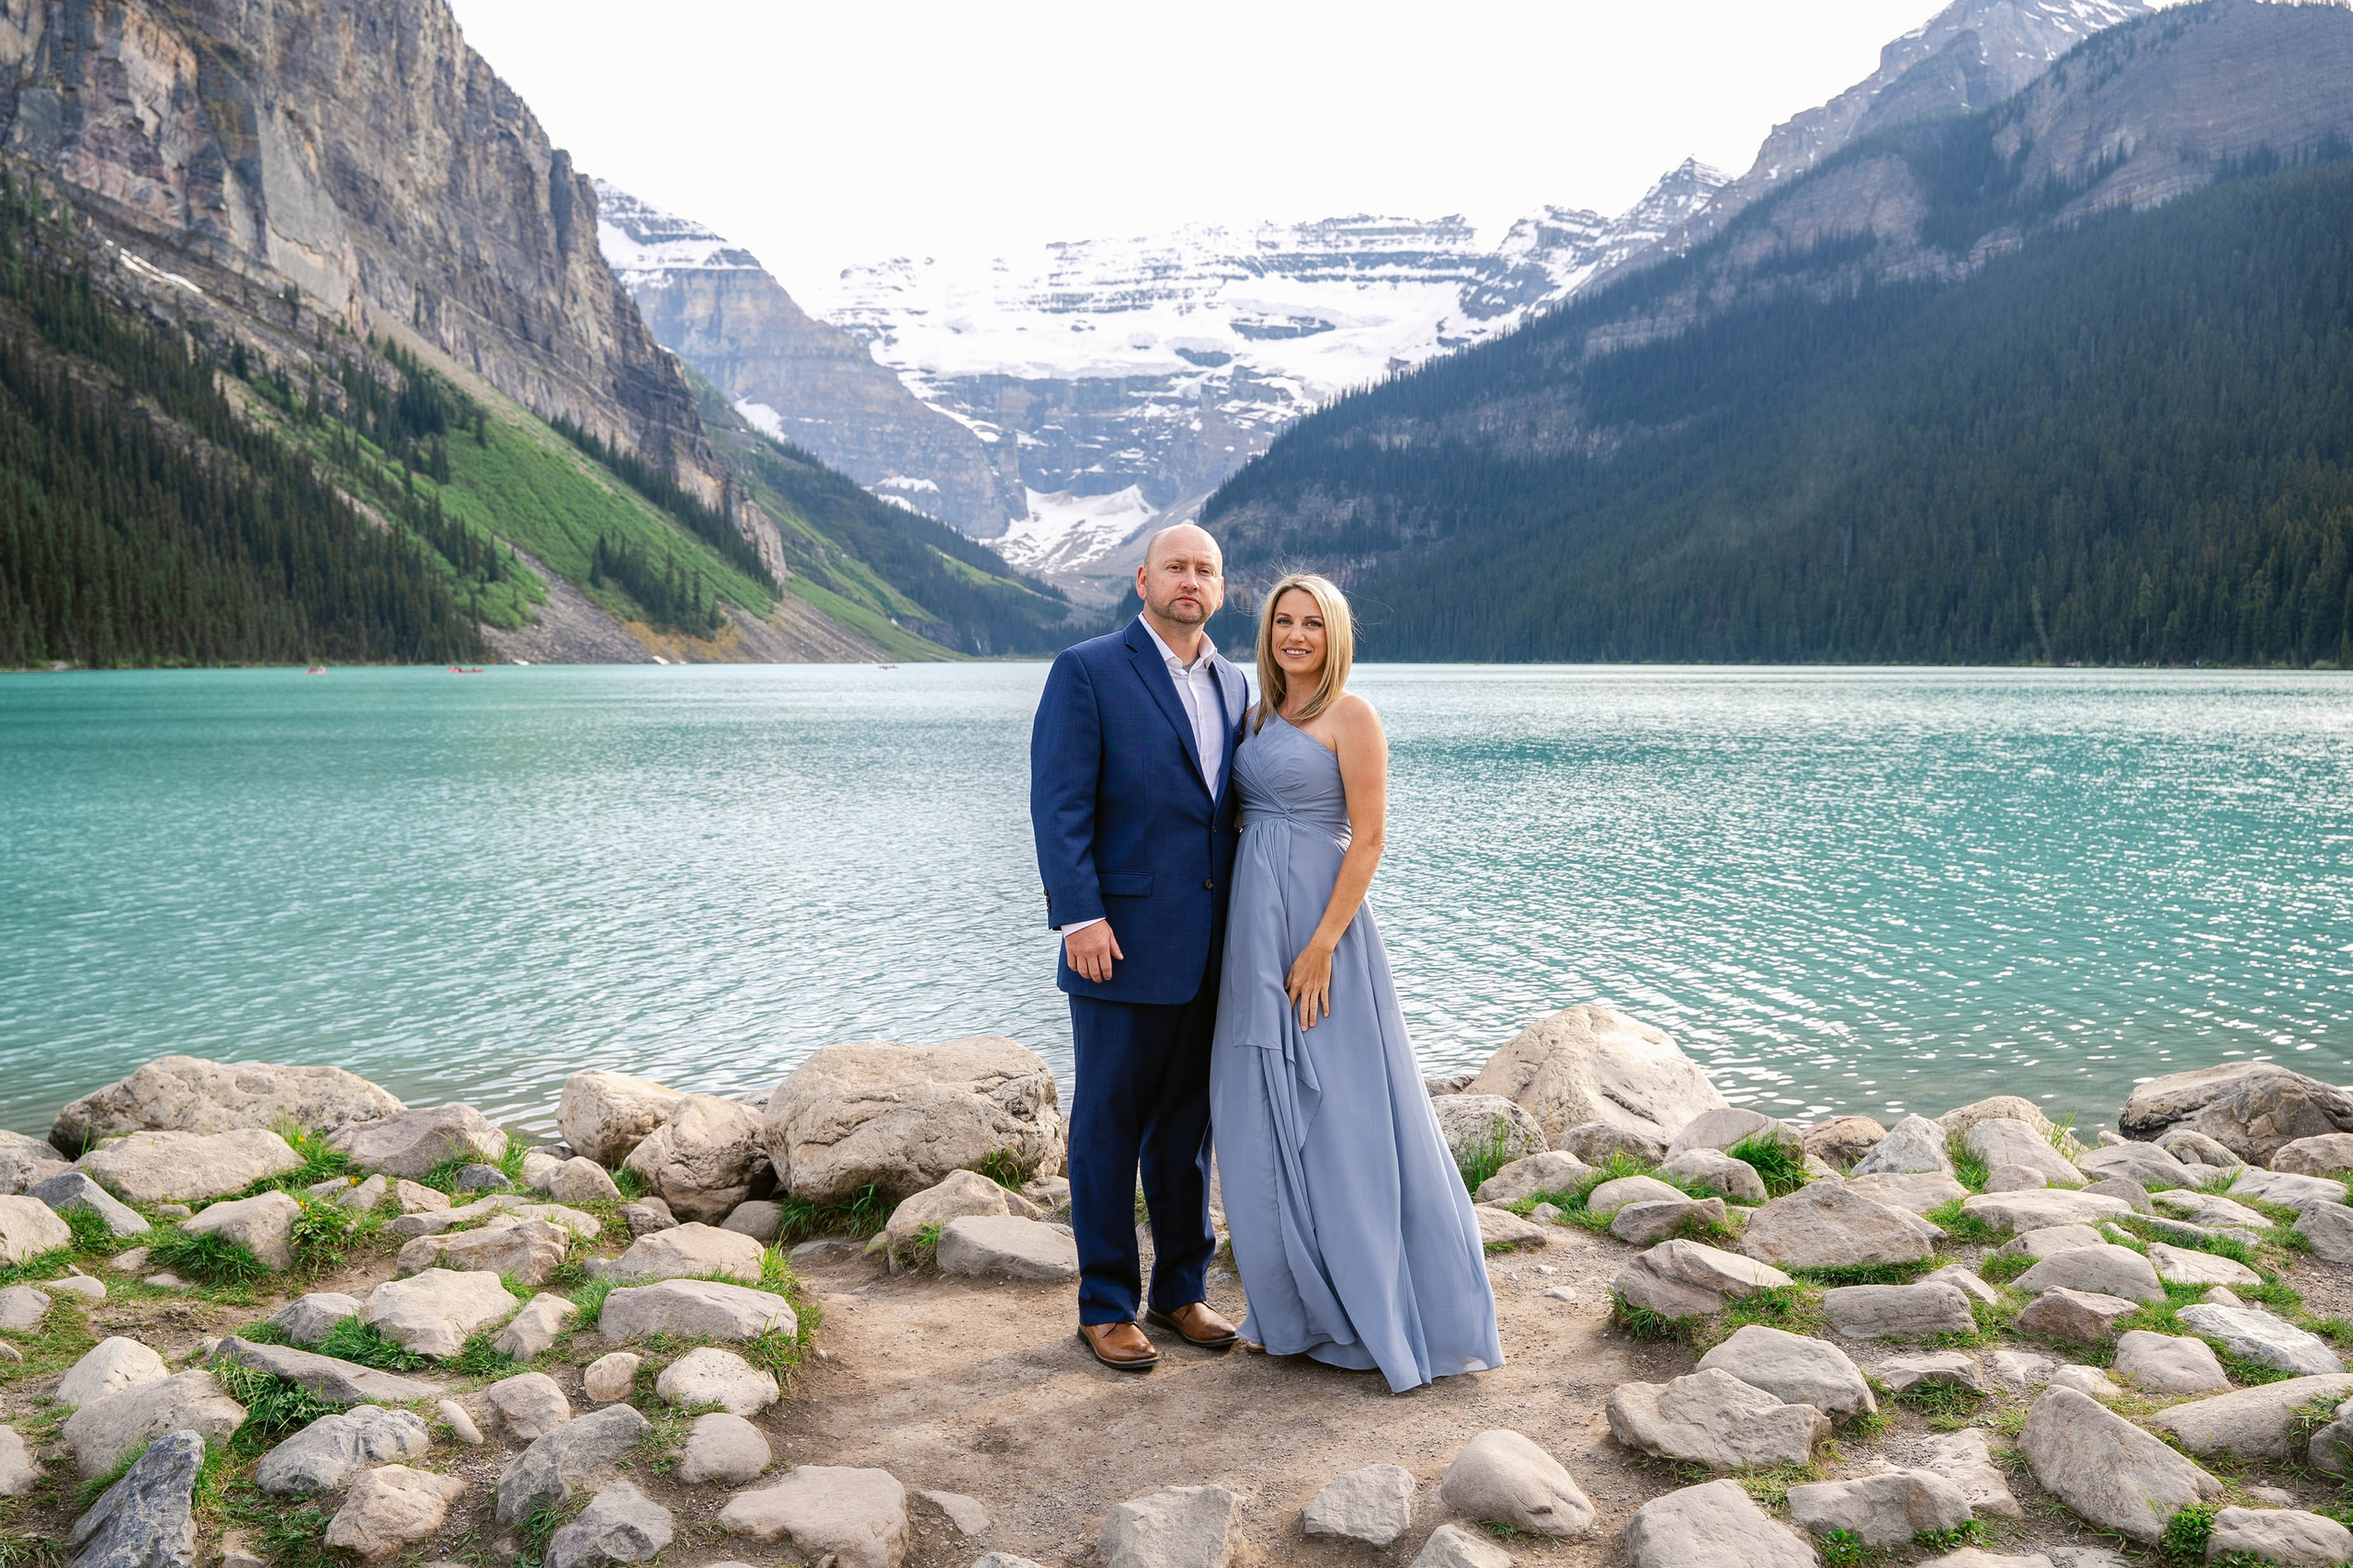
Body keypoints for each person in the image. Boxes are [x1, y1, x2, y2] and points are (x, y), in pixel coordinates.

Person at [1211, 573, 1503, 1392]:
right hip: (1252, 935)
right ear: (1268, 631)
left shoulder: (1353, 715)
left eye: (1311, 623)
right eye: (1282, 622)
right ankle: (1291, 1310)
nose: (1295, 635)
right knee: (1257, 1115)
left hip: (1319, 934)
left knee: (1343, 1115)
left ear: (1334, 634)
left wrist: (1321, 945)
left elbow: (1369, 839)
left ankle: (1376, 1309)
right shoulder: (1259, 716)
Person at [1029, 523, 1250, 1370]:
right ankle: (1106, 1303)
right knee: (1108, 1129)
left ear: (1221, 589)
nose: (1190, 581)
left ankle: (1181, 1292)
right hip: (1115, 945)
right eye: (1175, 568)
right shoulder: (1087, 670)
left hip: (1211, 949)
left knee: (1186, 1133)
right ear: (1142, 579)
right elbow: (1060, 804)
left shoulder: (1234, 685)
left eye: (1205, 570)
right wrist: (1078, 915)